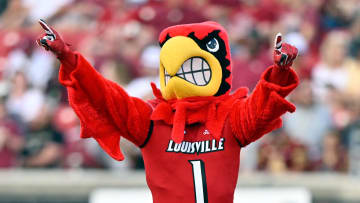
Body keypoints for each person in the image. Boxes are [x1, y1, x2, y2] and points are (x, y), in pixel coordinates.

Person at [37, 20, 298, 203]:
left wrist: (280, 72)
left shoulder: (231, 117)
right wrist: (68, 59)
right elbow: (106, 97)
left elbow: (261, 108)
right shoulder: (151, 119)